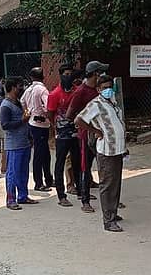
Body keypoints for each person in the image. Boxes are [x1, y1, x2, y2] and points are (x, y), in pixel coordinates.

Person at [76, 75, 127, 232]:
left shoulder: (113, 102)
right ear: (98, 89)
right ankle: (108, 219)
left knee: (116, 183)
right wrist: (96, 131)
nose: (107, 90)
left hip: (117, 149)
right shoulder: (96, 104)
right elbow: (79, 120)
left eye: (109, 87)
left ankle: (112, 212)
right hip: (106, 150)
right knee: (107, 184)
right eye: (104, 88)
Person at [66, 61, 110, 213]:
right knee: (85, 166)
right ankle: (85, 199)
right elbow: (70, 114)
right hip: (87, 135)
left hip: (101, 134)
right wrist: (85, 125)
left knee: (105, 166)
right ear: (96, 74)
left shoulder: (100, 90)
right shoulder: (81, 92)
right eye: (101, 73)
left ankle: (110, 200)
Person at [0, 77, 36, 210]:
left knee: (23, 172)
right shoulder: (6, 105)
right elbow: (5, 125)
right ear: (13, 87)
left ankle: (22, 196)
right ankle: (10, 199)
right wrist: (22, 120)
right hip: (13, 145)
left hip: (24, 142)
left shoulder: (18, 102)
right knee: (13, 173)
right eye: (20, 86)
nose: (22, 89)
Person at [48, 66, 80, 207]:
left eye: (70, 74)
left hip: (75, 132)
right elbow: (50, 114)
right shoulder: (54, 94)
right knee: (60, 163)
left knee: (77, 162)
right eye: (66, 74)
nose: (69, 77)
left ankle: (81, 191)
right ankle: (61, 195)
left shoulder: (75, 91)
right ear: (61, 75)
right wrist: (54, 132)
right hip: (61, 134)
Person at [22, 67, 53, 192]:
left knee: (44, 153)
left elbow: (22, 101)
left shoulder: (29, 89)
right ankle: (39, 182)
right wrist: (48, 116)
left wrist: (28, 112)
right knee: (41, 154)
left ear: (31, 77)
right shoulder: (42, 90)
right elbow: (48, 106)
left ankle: (48, 179)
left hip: (32, 122)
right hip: (41, 123)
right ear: (43, 76)